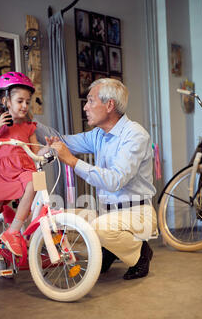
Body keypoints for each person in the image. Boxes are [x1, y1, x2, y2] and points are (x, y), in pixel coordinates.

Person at [49, 78, 157, 280]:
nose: (85, 107)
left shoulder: (135, 135)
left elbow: (114, 180)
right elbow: (63, 140)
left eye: (90, 101)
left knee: (98, 228)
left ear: (109, 105)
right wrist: (29, 125)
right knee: (66, 219)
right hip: (109, 213)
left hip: (137, 214)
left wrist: (72, 161)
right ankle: (111, 248)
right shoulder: (98, 134)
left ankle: (142, 253)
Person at [0, 72, 48, 284]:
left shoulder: (29, 126)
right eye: (19, 101)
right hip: (1, 175)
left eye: (27, 102)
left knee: (34, 183)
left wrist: (48, 149)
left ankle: (13, 232)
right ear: (6, 101)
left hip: (23, 169)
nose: (24, 106)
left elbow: (36, 150)